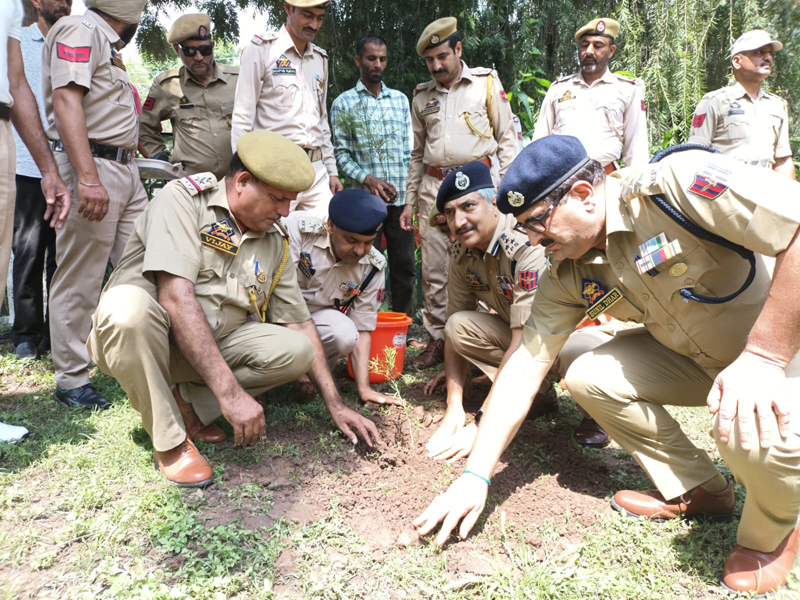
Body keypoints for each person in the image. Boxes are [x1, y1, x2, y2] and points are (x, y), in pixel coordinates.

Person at [413, 135, 800, 596]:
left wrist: (764, 357)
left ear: (582, 195)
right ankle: (701, 490)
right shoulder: (567, 269)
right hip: (701, 360)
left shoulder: (675, 185)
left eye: (537, 222)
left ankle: (774, 532)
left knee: (751, 428)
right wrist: (475, 476)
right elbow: (525, 365)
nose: (532, 239)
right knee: (586, 375)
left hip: (783, 352)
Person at [86, 130, 381, 487]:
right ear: (242, 182)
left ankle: (189, 404)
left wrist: (335, 404)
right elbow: (176, 297)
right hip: (150, 341)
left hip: (211, 345)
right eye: (278, 199)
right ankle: (172, 442)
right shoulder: (181, 200)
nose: (285, 212)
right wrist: (231, 395)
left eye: (291, 202)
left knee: (298, 350)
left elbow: (300, 323)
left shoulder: (275, 239)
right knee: (126, 308)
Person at [423, 161, 610, 458]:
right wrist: (453, 405)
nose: (458, 222)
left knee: (578, 362)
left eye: (468, 206)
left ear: (493, 204)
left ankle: (597, 415)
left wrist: (483, 422)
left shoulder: (525, 244)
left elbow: (522, 340)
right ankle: (539, 398)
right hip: (530, 340)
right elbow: (453, 328)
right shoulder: (461, 253)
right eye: (450, 213)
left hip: (573, 334)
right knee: (458, 325)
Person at [43, 0, 149, 410]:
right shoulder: (79, 30)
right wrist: (87, 178)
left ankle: (128, 356)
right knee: (81, 274)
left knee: (143, 266)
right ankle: (71, 377)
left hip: (122, 167)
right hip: (95, 167)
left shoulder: (107, 42)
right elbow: (67, 100)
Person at [406, 16, 517, 367]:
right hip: (434, 189)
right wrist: (409, 202)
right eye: (429, 60)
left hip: (480, 189)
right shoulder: (422, 96)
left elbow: (506, 140)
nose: (436, 65)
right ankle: (438, 339)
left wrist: (508, 195)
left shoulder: (485, 84)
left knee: (486, 261)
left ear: (458, 49)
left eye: (442, 56)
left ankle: (481, 336)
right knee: (435, 268)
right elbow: (416, 154)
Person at [3, 0, 70, 442]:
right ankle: (26, 333)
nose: (64, 2)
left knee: (59, 254)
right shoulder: (21, 33)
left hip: (58, 160)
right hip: (24, 160)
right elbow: (18, 91)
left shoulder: (70, 40)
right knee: (28, 249)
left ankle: (51, 332)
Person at [284, 189, 403, 407]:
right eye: (351, 240)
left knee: (346, 332)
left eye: (368, 242)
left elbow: (362, 327)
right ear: (330, 225)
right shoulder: (298, 231)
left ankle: (314, 375)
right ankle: (260, 386)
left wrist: (364, 387)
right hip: (278, 314)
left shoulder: (373, 266)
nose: (360, 251)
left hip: (316, 320)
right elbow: (278, 295)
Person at [329, 34, 415, 317]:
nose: (377, 64)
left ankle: (403, 321)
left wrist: (410, 199)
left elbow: (409, 151)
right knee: (362, 262)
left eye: (382, 58)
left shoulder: (401, 101)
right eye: (371, 58)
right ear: (358, 61)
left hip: (400, 200)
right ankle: (358, 321)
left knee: (404, 263)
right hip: (365, 202)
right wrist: (368, 180)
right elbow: (341, 154)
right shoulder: (344, 103)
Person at [231, 0, 341, 218]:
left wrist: (332, 171)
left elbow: (322, 121)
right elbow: (243, 117)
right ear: (288, 8)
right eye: (307, 15)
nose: (314, 24)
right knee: (274, 242)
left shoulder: (320, 58)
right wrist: (240, 172)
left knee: (320, 243)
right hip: (274, 170)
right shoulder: (261, 50)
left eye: (320, 17)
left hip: (316, 172)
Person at [532, 18, 648, 171]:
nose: (589, 51)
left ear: (611, 51)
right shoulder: (558, 89)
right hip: (560, 182)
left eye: (598, 46)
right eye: (584, 45)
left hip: (606, 181)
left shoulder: (627, 90)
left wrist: (635, 192)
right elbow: (539, 143)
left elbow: (636, 150)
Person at [138, 13, 239, 179]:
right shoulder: (167, 86)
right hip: (191, 185)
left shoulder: (238, 80)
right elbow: (145, 127)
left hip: (237, 183)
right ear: (177, 50)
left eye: (205, 50)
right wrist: (160, 160)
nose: (199, 57)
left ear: (212, 45)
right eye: (190, 51)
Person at [689, 30, 795, 180]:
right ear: (737, 61)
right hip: (727, 191)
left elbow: (782, 160)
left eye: (770, 53)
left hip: (765, 190)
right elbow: (695, 155)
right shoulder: (715, 101)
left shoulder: (777, 105)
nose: (768, 57)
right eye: (759, 52)